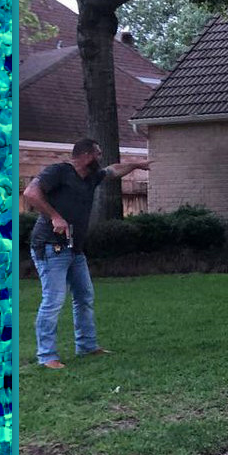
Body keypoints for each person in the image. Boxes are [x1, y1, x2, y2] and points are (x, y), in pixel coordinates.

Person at [21, 138, 152, 369]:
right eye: (98, 154)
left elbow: (113, 171)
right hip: (51, 246)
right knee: (53, 301)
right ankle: (47, 356)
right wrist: (54, 216)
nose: (100, 159)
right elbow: (31, 193)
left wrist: (137, 165)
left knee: (84, 297)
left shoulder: (91, 177)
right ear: (86, 155)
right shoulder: (59, 172)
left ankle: (87, 347)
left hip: (74, 249)